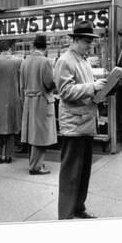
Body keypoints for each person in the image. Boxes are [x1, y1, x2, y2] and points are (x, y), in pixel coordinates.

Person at [54, 21, 107, 219]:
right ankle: (66, 214)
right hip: (74, 123)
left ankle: (78, 207)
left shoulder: (82, 60)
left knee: (83, 171)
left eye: (90, 42)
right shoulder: (65, 61)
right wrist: (93, 87)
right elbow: (65, 91)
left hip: (85, 121)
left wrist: (104, 88)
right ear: (75, 40)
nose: (89, 46)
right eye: (86, 41)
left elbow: (82, 89)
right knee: (71, 173)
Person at [20, 33, 57, 175]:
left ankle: (34, 162)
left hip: (29, 100)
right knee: (41, 135)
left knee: (32, 133)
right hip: (42, 100)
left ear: (33, 46)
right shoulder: (46, 61)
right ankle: (36, 166)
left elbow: (22, 84)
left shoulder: (25, 61)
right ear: (45, 47)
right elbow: (49, 84)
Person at [0, 40, 22, 164]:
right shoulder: (18, 61)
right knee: (11, 127)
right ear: (10, 48)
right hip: (13, 98)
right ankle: (8, 155)